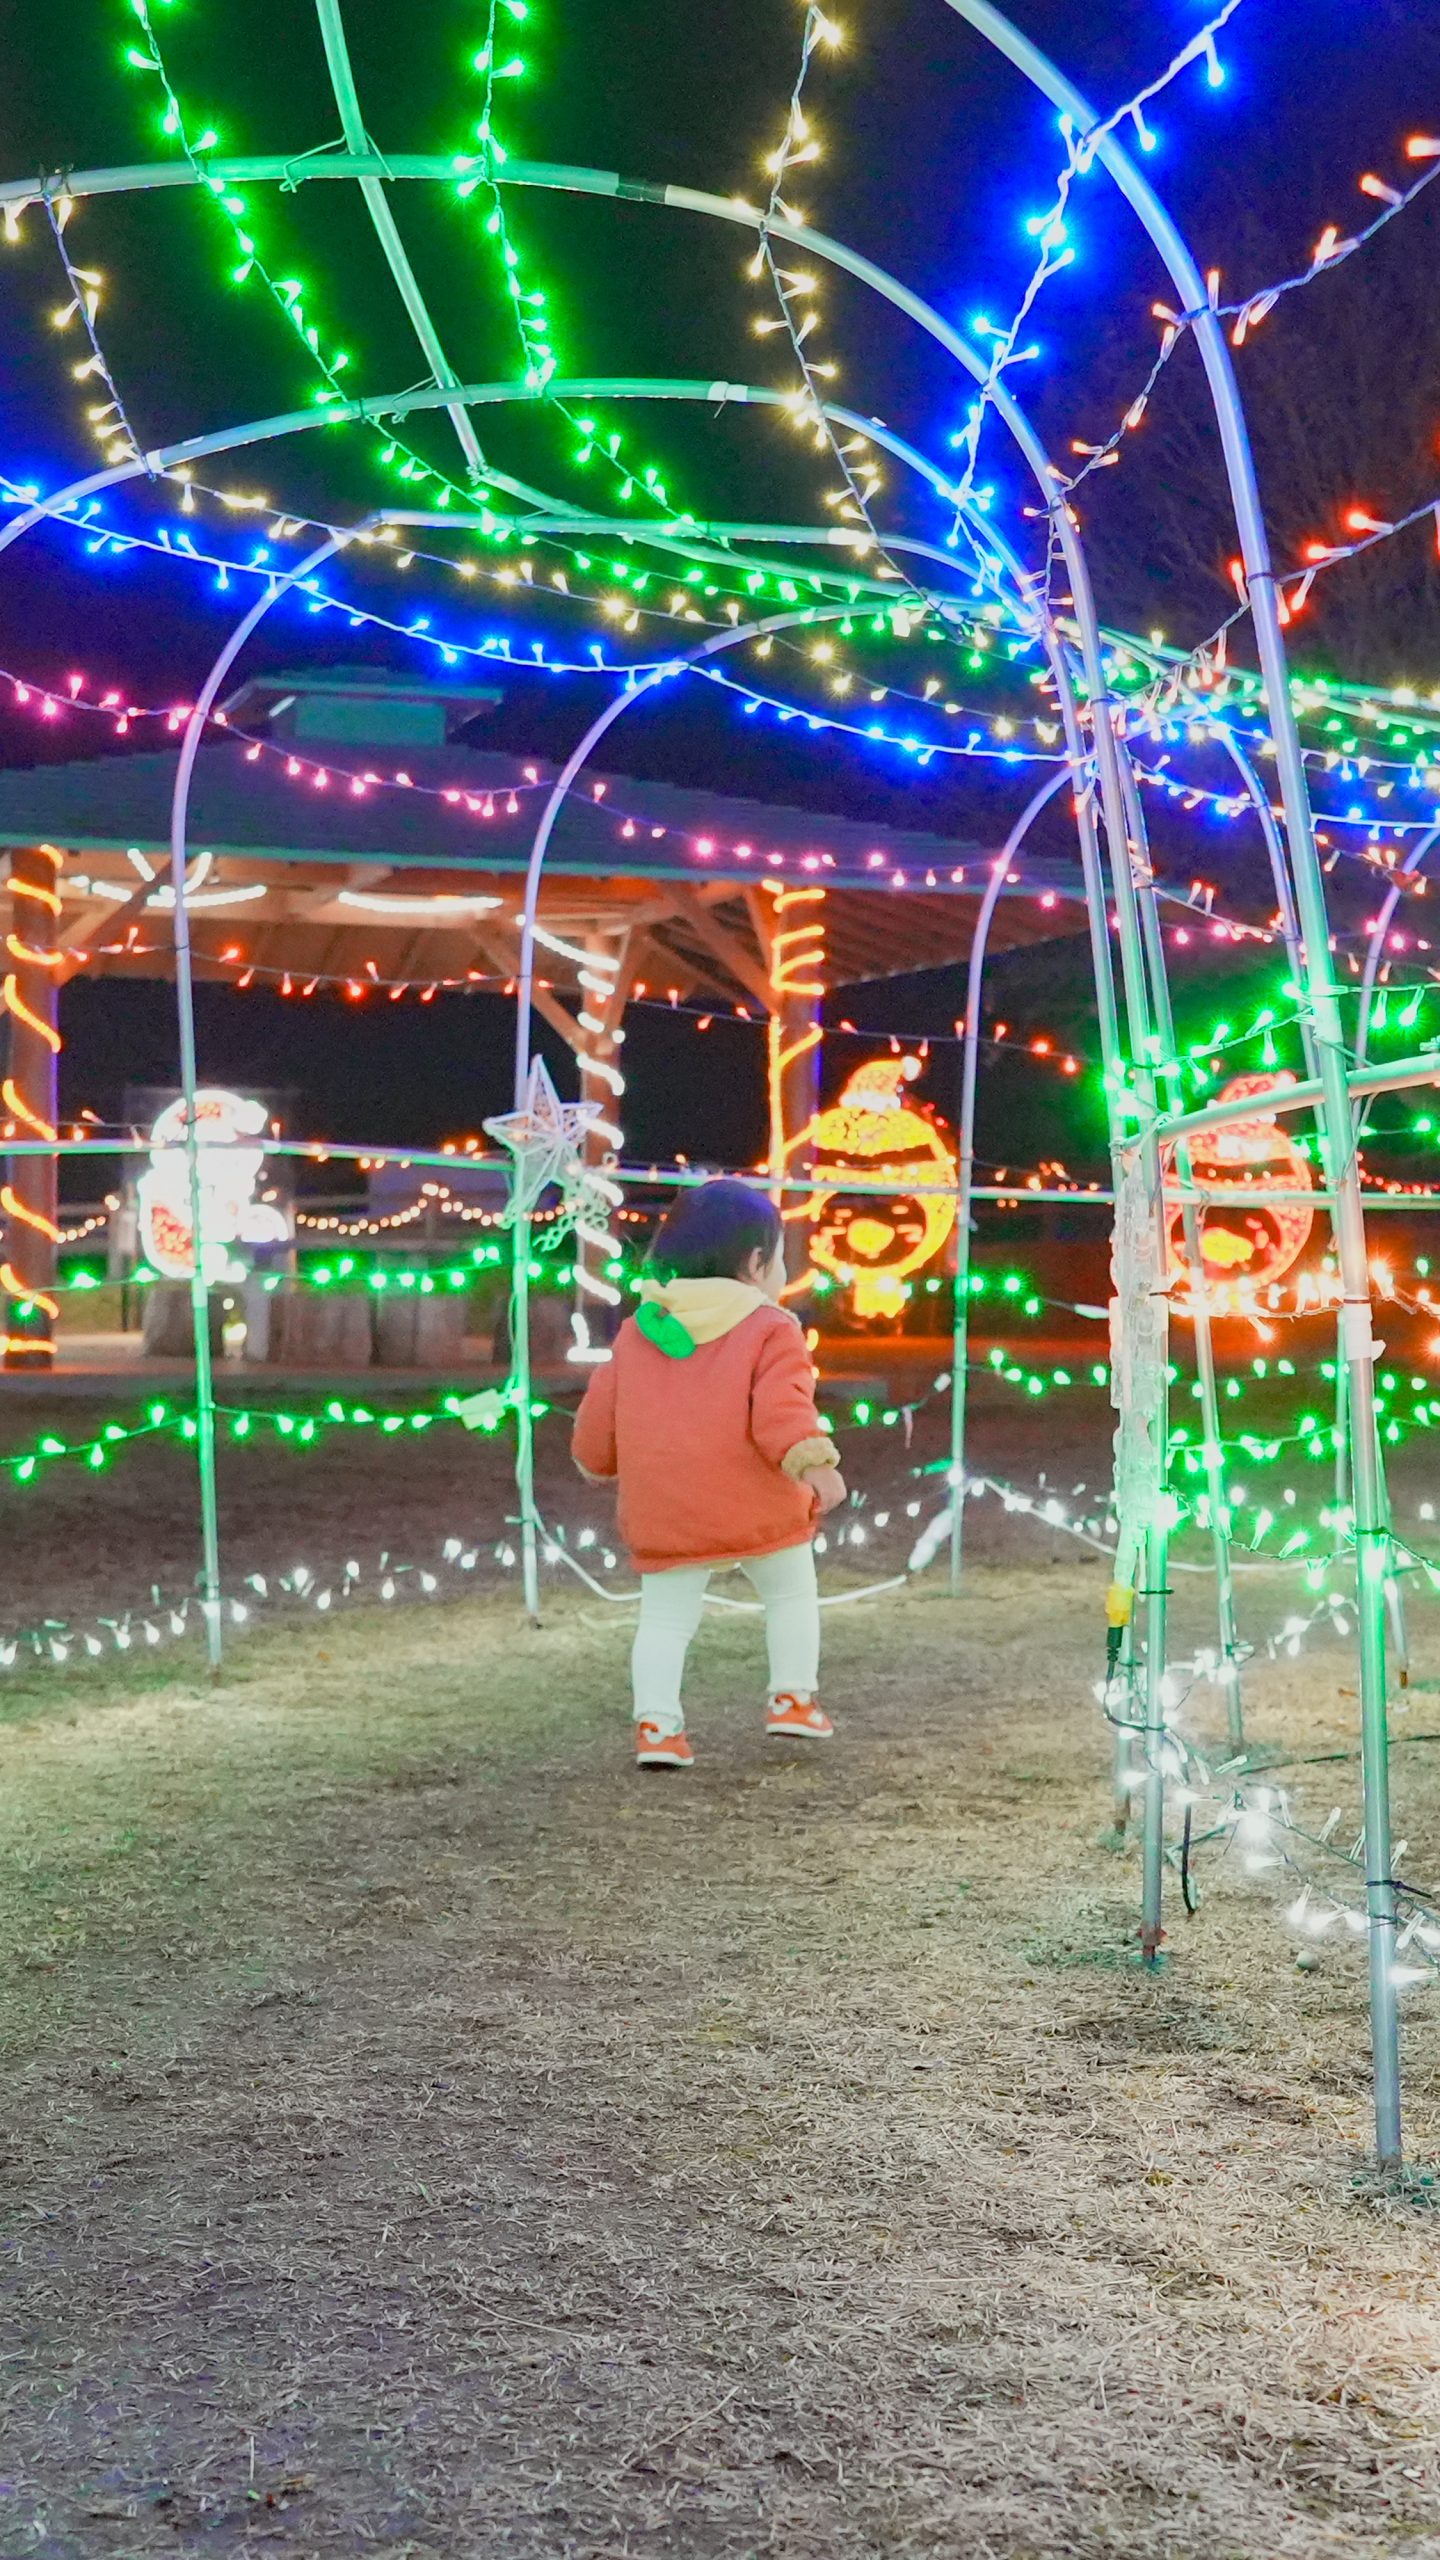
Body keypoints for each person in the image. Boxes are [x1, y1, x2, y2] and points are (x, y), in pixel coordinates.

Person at [572, 1178, 847, 1768]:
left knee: (664, 1621)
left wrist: (595, 1462)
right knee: (791, 1594)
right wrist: (815, 1463)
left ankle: (657, 1727)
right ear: (755, 1263)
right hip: (757, 1504)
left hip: (666, 1509)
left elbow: (601, 1411)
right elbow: (783, 1410)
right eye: (779, 1259)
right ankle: (793, 1698)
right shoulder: (771, 1328)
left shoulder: (640, 1329)